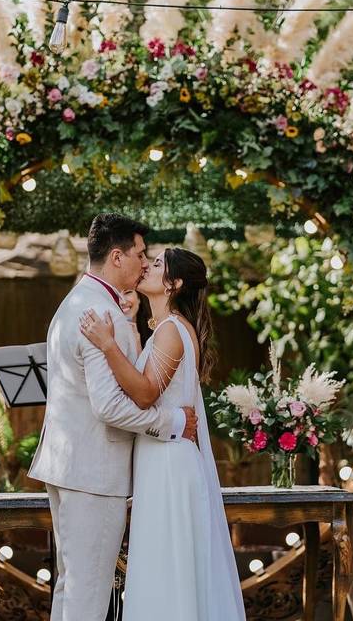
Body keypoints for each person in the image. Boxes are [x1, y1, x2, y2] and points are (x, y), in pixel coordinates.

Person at [27, 214, 199, 621]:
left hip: (71, 465)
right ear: (117, 256)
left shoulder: (77, 302)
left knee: (72, 587)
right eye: (140, 254)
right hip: (94, 471)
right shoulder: (100, 313)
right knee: (89, 591)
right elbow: (108, 407)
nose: (145, 263)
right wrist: (172, 421)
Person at [79, 247, 246, 620]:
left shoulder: (172, 330)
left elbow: (144, 392)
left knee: (169, 565)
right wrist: (130, 326)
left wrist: (106, 345)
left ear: (173, 284)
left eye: (157, 266)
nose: (147, 268)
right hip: (161, 457)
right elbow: (148, 376)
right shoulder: (164, 329)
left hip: (170, 464)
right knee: (163, 562)